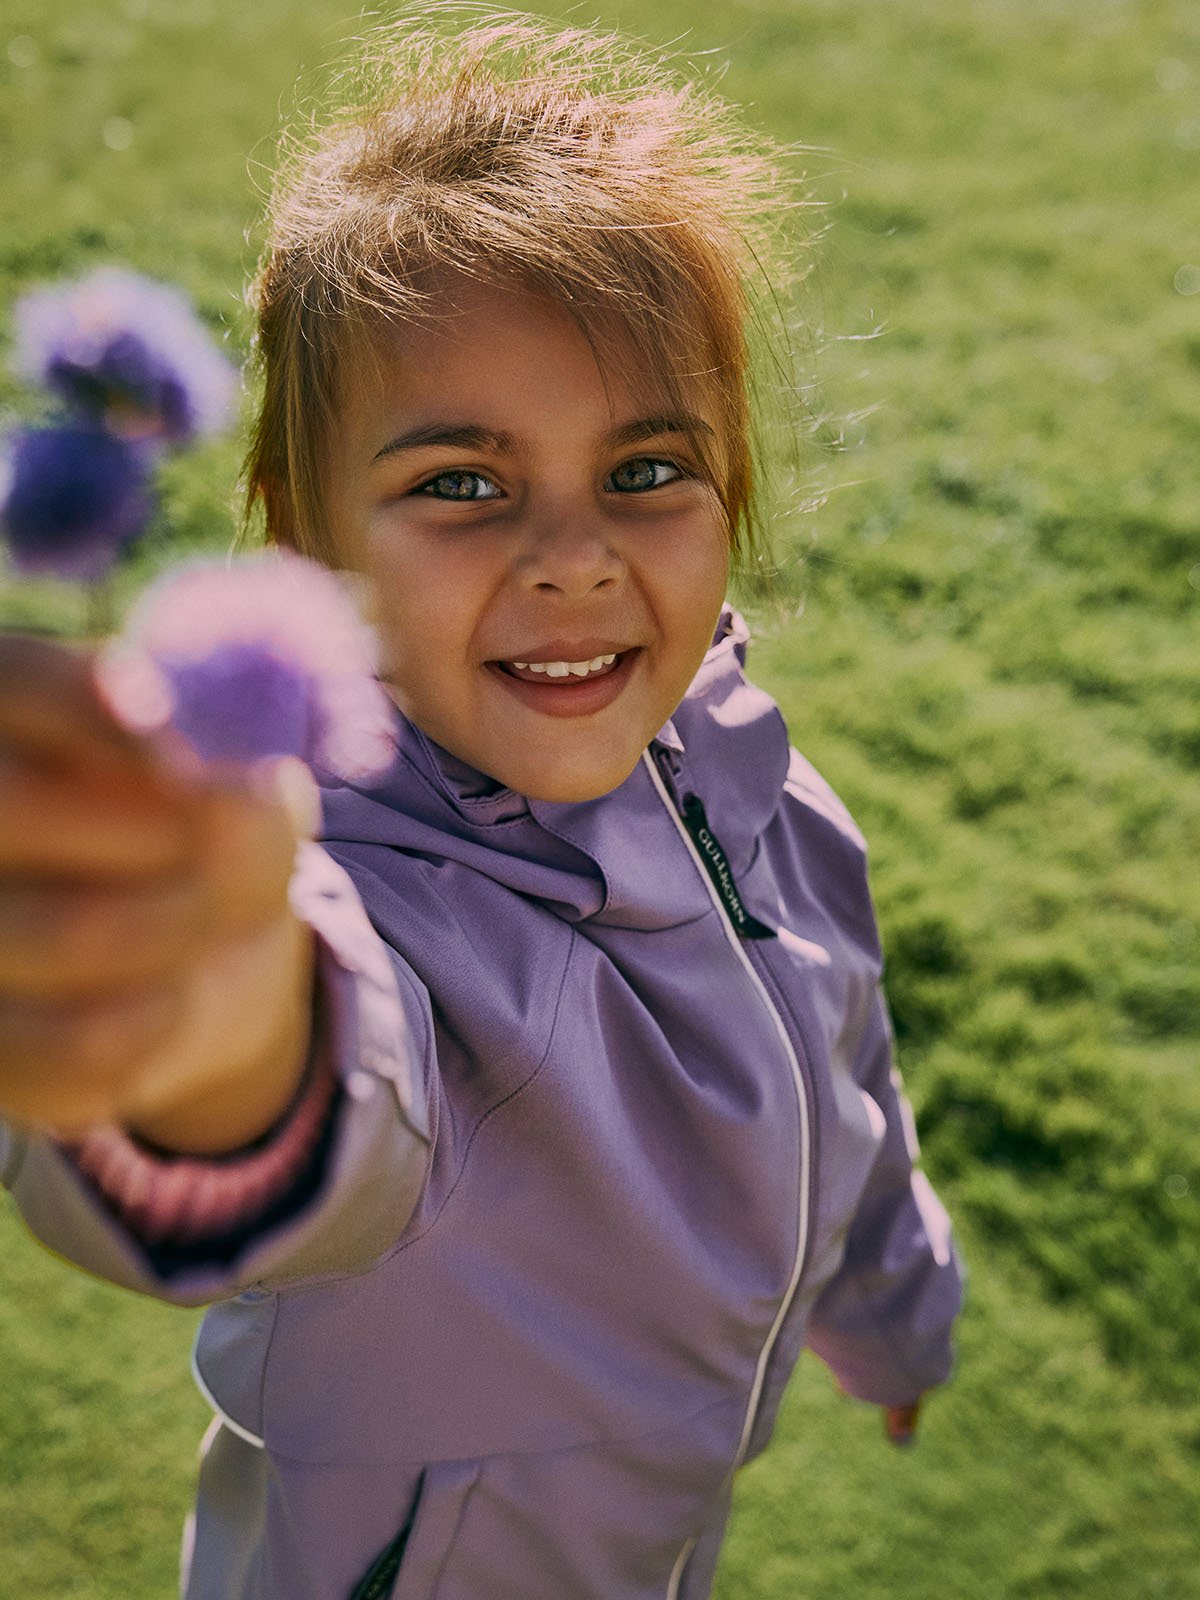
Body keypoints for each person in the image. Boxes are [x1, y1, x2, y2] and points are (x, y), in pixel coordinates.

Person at [0, 15, 963, 1599]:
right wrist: (200, 1019)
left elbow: (844, 1067)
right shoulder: (365, 897)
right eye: (460, 482)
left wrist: (893, 1306)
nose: (576, 555)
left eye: (649, 469)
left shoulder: (759, 785)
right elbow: (328, 1085)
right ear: (302, 537)